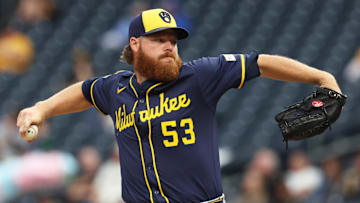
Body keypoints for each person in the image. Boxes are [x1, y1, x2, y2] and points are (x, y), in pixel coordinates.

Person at [16, 8, 342, 202]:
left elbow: (262, 63)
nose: (170, 47)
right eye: (159, 40)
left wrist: (321, 76)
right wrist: (42, 108)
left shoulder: (200, 76)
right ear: (135, 44)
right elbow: (85, 92)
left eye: (173, 41)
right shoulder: (116, 89)